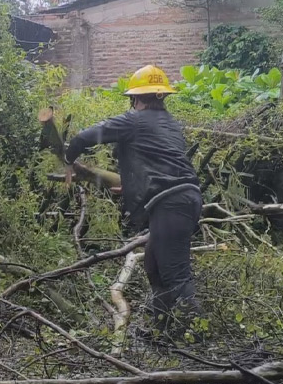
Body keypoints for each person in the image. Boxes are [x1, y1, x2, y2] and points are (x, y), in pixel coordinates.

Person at [64, 65, 203, 337]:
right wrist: (131, 187)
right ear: (161, 96)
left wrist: (68, 160)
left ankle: (199, 337)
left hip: (171, 203)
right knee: (153, 263)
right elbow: (157, 164)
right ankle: (161, 329)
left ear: (136, 99)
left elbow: (84, 137)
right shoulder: (170, 125)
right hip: (183, 198)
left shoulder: (133, 121)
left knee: (176, 273)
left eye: (133, 100)